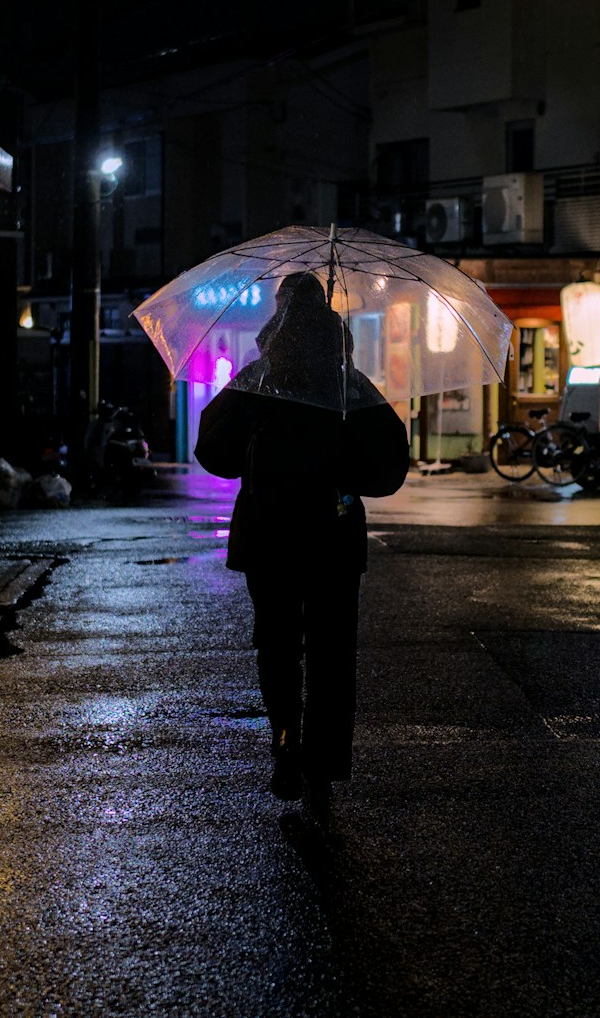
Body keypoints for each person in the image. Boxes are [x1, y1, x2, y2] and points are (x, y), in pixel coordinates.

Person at [195, 272, 409, 805]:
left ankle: (285, 737)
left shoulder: (260, 379)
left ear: (279, 312)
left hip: (269, 534)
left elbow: (213, 451)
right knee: (332, 649)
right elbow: (388, 467)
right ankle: (326, 759)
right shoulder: (347, 384)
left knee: (278, 641)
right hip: (333, 535)